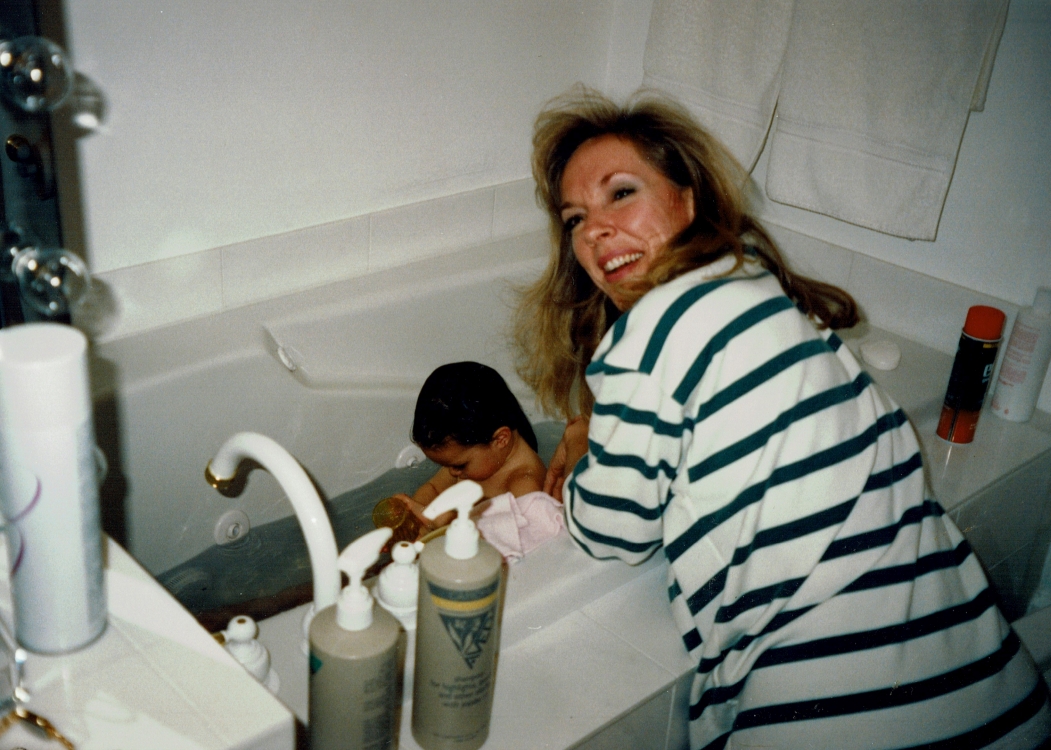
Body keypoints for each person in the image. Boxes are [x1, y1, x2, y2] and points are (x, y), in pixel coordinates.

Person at [513, 86, 1051, 749]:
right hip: (985, 678)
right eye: (574, 218)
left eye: (620, 193)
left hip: (841, 713)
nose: (594, 230)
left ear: (687, 199)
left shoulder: (652, 328)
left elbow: (613, 532)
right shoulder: (757, 287)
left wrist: (582, 462)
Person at [392, 361, 547, 532]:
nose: (452, 472)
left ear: (500, 439)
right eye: (446, 465)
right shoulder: (468, 459)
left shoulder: (525, 484)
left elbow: (514, 538)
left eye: (459, 465)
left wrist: (442, 521)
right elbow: (433, 488)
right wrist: (415, 518)